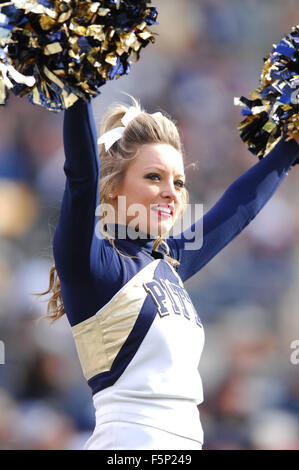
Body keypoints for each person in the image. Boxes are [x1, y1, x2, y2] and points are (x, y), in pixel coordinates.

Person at [39, 94, 299, 450]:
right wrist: (75, 90)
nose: (171, 193)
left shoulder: (170, 261)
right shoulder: (95, 266)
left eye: (178, 182)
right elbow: (82, 179)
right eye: (153, 177)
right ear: (113, 187)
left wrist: (292, 140)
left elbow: (239, 209)